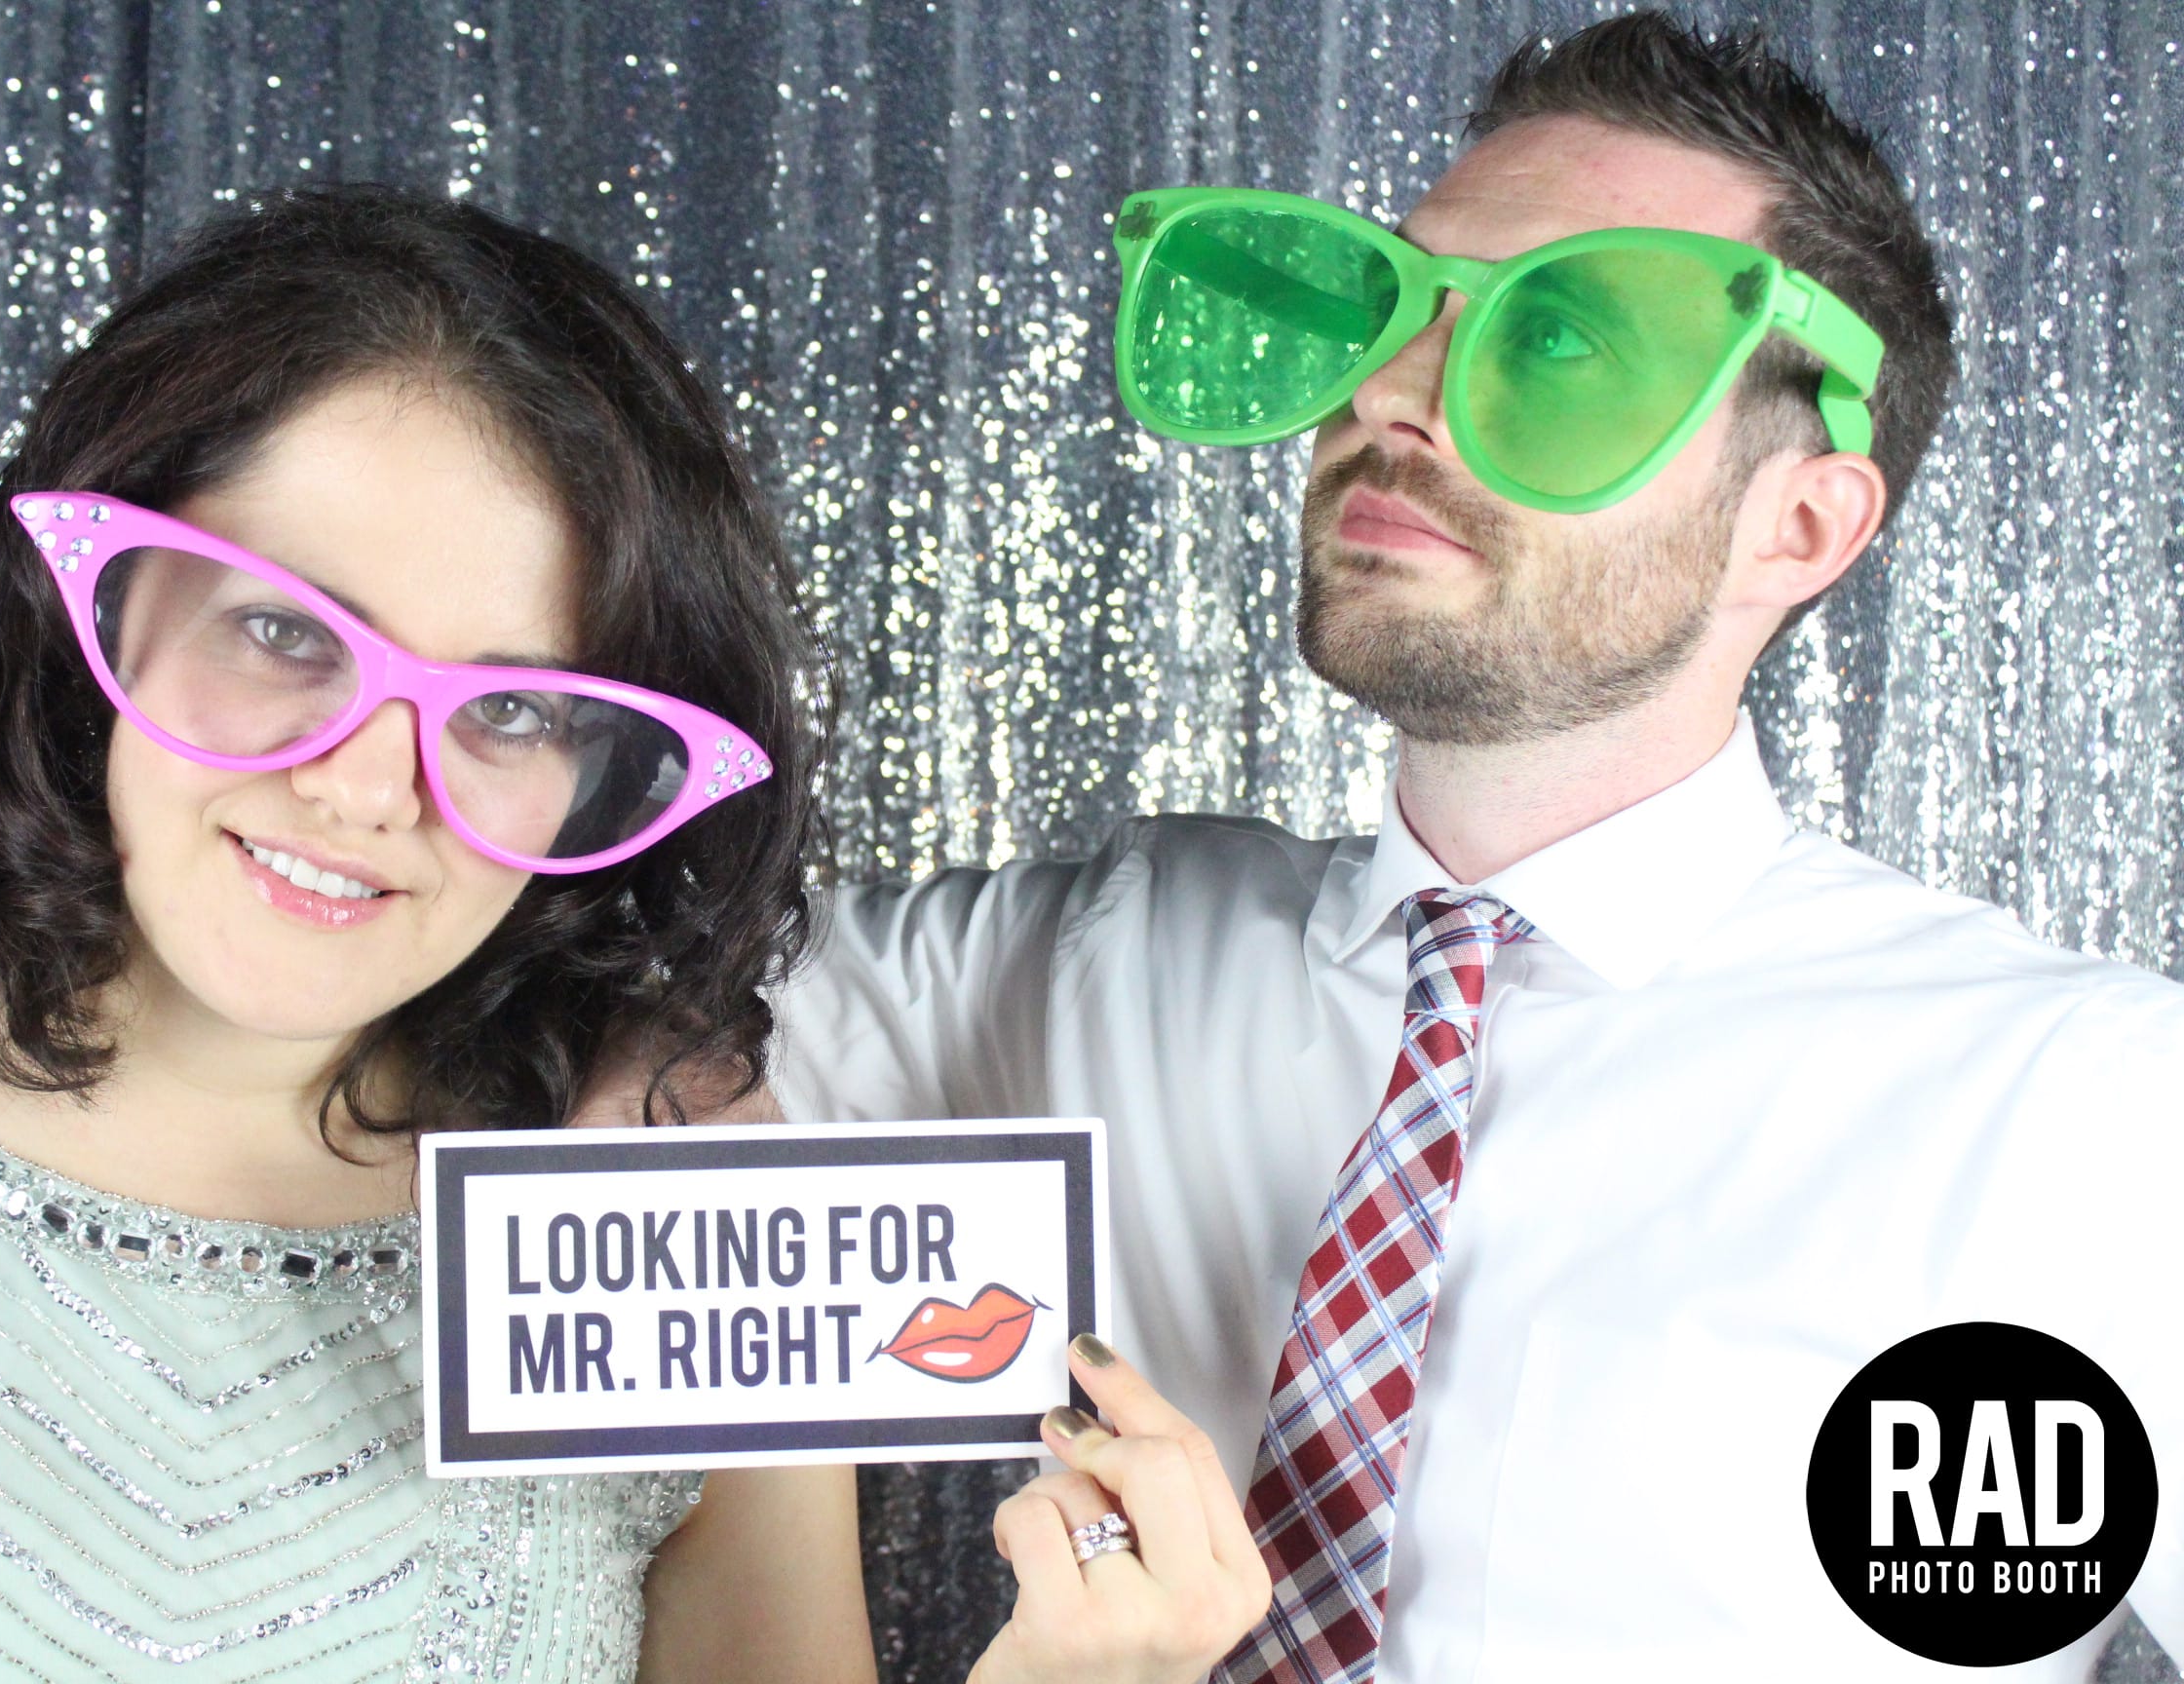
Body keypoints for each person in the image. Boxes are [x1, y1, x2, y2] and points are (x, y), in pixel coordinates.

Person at [775, 16, 2184, 1683]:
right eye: (1399, 312)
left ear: (1800, 525)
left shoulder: (2084, 1116)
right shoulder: (1072, 968)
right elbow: (568, 1051)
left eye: (1565, 342)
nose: (1389, 395)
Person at [0, 184, 871, 1681]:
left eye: (509, 709)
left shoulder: (684, 1228)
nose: (364, 788)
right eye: (285, 631)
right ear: (98, 604)